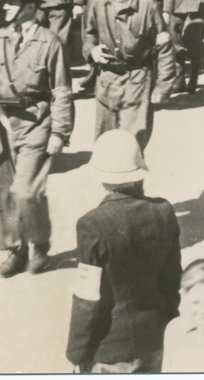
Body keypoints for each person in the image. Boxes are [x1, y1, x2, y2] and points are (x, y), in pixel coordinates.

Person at [0, 0, 74, 279]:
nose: (5, 7)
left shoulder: (50, 42)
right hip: (2, 123)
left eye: (13, 3)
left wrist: (60, 132)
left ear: (30, 7)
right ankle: (15, 250)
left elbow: (61, 90)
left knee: (26, 190)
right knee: (3, 191)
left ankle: (40, 243)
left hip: (36, 122)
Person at [66, 129, 182, 373]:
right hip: (155, 340)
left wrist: (76, 353)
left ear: (102, 177)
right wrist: (170, 326)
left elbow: (87, 299)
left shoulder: (92, 224)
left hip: (110, 351)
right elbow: (172, 279)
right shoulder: (163, 211)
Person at [82, 0, 176, 150]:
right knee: (105, 145)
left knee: (132, 145)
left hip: (137, 80)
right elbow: (89, 35)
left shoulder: (146, 2)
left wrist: (162, 87)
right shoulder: (98, 3)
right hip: (107, 81)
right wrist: (92, 51)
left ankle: (133, 183)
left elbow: (165, 45)